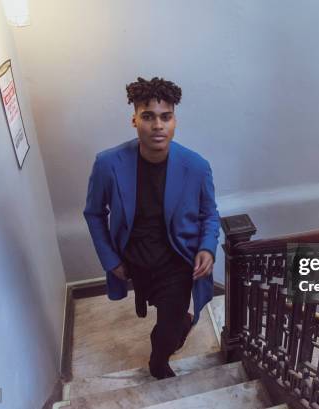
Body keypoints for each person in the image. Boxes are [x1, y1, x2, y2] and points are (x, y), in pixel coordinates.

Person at [83, 77, 220, 379]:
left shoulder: (196, 166)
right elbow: (94, 213)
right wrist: (112, 260)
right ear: (134, 120)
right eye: (148, 116)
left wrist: (207, 247)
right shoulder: (108, 164)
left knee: (168, 327)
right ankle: (175, 323)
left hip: (177, 261)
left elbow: (209, 213)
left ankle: (159, 360)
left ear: (174, 121)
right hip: (135, 261)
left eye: (165, 117)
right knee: (160, 308)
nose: (158, 125)